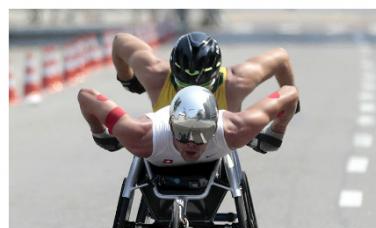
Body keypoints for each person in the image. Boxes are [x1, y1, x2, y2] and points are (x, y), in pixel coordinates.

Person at [110, 31, 295, 152]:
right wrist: (128, 78)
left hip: (214, 149)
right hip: (167, 147)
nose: (191, 90)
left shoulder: (237, 80)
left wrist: (128, 80)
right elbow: (119, 41)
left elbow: (282, 58)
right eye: (184, 83)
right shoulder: (155, 73)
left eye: (201, 85)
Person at [78, 84, 298, 163]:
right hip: (155, 145)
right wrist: (97, 131)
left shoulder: (236, 130)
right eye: (183, 133)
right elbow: (86, 95)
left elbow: (290, 93)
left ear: (214, 129)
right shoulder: (140, 136)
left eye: (201, 134)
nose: (191, 143)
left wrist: (277, 130)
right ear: (171, 125)